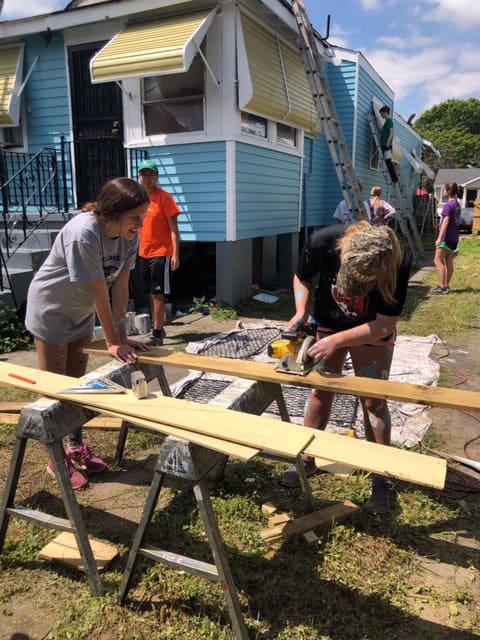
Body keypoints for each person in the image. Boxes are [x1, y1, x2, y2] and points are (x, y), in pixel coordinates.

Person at [25, 178, 150, 489]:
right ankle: (56, 460)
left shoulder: (128, 236)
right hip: (51, 311)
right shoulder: (85, 232)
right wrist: (110, 342)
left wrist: (120, 337)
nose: (141, 224)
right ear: (116, 212)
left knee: (78, 387)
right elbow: (99, 293)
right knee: (55, 389)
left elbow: (120, 289)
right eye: (136, 218)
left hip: (80, 313)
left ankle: (76, 448)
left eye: (144, 217)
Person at [281, 221, 411, 514]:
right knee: (320, 391)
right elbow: (302, 277)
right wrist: (301, 311)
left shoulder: (397, 261)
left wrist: (337, 342)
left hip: (372, 330)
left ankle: (381, 474)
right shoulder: (322, 241)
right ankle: (307, 456)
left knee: (373, 400)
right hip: (329, 320)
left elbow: (384, 324)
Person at [137, 159, 181, 346]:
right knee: (148, 291)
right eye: (143, 174)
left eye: (150, 174)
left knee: (157, 293)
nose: (147, 178)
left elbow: (174, 229)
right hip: (143, 252)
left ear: (156, 177)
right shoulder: (138, 199)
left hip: (161, 252)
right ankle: (158, 326)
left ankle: (156, 333)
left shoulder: (165, 198)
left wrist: (176, 254)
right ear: (139, 176)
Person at [432, 182, 462, 295]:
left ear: (449, 191)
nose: (443, 191)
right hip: (454, 237)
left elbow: (446, 221)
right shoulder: (457, 204)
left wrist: (439, 238)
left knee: (438, 260)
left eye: (444, 190)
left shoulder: (448, 205)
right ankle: (446, 286)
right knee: (448, 260)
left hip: (446, 237)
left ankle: (442, 286)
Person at [379, 105, 398, 183]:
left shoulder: (389, 121)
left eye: (381, 113)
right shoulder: (386, 122)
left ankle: (394, 178)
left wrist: (388, 142)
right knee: (387, 161)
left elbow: (391, 132)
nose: (381, 115)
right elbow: (383, 131)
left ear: (385, 112)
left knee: (388, 162)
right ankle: (392, 177)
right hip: (384, 145)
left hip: (387, 146)